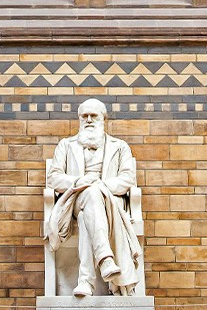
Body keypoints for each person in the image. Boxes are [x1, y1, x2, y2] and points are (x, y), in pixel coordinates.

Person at [44, 99, 143, 297]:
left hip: (108, 203)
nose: (89, 120)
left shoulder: (120, 146)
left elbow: (127, 178)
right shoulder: (66, 145)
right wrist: (81, 181)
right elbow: (53, 178)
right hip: (75, 200)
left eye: (93, 116)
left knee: (89, 208)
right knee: (90, 194)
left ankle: (86, 282)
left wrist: (101, 186)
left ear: (103, 119)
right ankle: (105, 259)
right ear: (79, 118)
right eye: (84, 116)